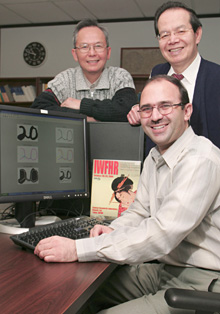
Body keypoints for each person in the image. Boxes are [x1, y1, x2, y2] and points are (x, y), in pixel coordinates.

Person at [34, 75, 220, 313]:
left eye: (165, 106)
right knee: (77, 291)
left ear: (186, 111)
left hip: (203, 281)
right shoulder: (156, 156)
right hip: (165, 270)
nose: (155, 116)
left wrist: (78, 249)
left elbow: (162, 233)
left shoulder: (199, 160)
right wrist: (114, 229)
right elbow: (141, 210)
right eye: (146, 108)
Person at [127, 1, 220, 154]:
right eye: (164, 34)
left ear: (197, 34)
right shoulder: (157, 73)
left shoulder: (216, 78)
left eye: (180, 31)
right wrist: (139, 110)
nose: (172, 40)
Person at [31, 19, 137, 122]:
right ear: (75, 54)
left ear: (108, 52)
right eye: (84, 47)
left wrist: (81, 105)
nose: (92, 53)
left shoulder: (120, 76)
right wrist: (88, 119)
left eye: (98, 46)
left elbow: (127, 110)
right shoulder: (64, 79)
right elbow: (38, 109)